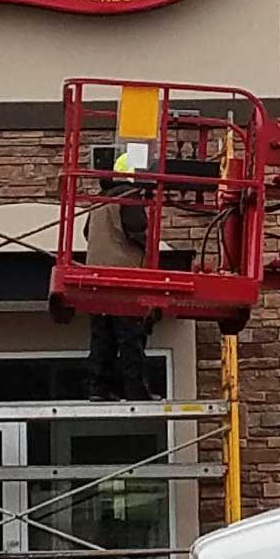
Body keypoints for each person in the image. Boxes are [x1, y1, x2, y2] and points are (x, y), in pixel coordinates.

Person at [84, 153, 158, 401]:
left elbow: (87, 232)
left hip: (96, 278)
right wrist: (148, 247)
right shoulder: (130, 198)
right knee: (130, 337)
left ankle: (98, 388)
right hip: (123, 277)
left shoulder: (98, 201)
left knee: (102, 335)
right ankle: (136, 391)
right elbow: (136, 228)